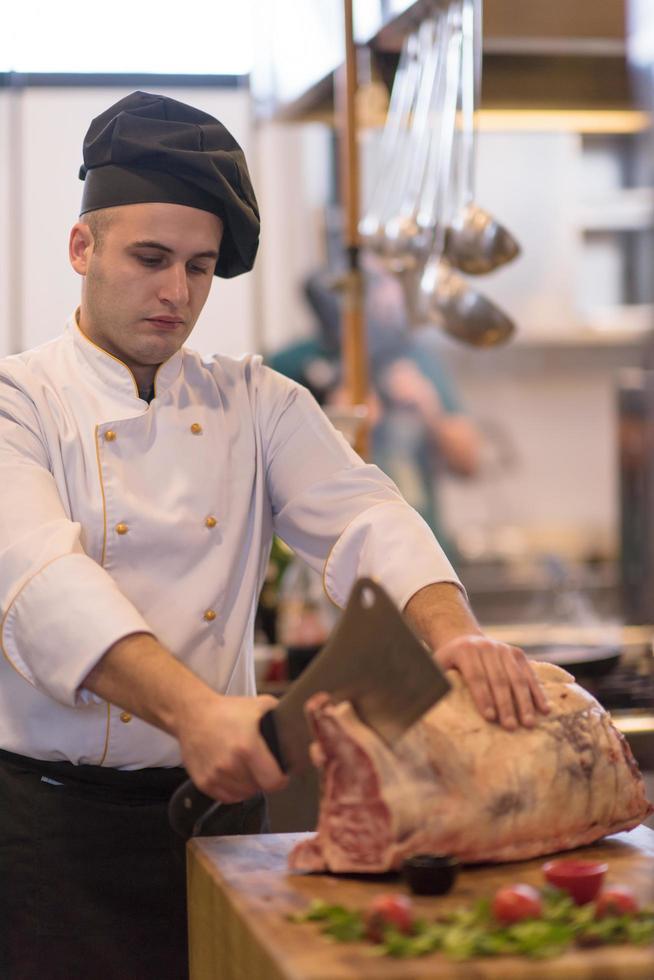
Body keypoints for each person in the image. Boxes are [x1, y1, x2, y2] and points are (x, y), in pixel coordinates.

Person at [0, 91, 549, 980]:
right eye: (150, 258)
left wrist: (458, 636)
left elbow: (365, 515)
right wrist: (196, 713)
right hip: (52, 832)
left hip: (224, 819)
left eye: (200, 266)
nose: (176, 293)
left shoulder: (253, 399)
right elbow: (39, 586)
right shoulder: (17, 402)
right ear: (81, 247)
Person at [269, 255, 482, 557]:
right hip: (337, 558)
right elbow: (269, 476)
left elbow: (468, 463)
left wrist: (428, 407)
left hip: (422, 554)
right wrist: (337, 425)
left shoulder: (415, 359)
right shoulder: (293, 365)